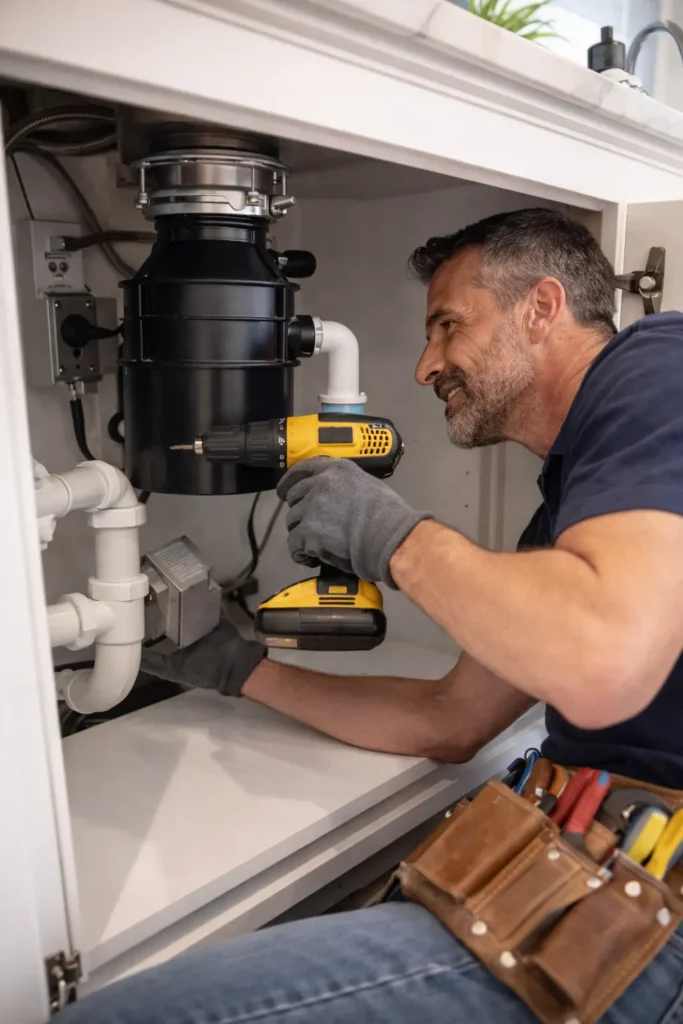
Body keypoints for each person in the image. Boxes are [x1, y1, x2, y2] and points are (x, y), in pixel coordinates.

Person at [60, 209, 683, 1024]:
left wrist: (393, 539)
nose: (426, 366)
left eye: (447, 326)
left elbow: (604, 659)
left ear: (541, 307)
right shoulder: (564, 515)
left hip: (639, 918)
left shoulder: (658, 364)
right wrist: (237, 667)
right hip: (576, 865)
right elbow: (449, 717)